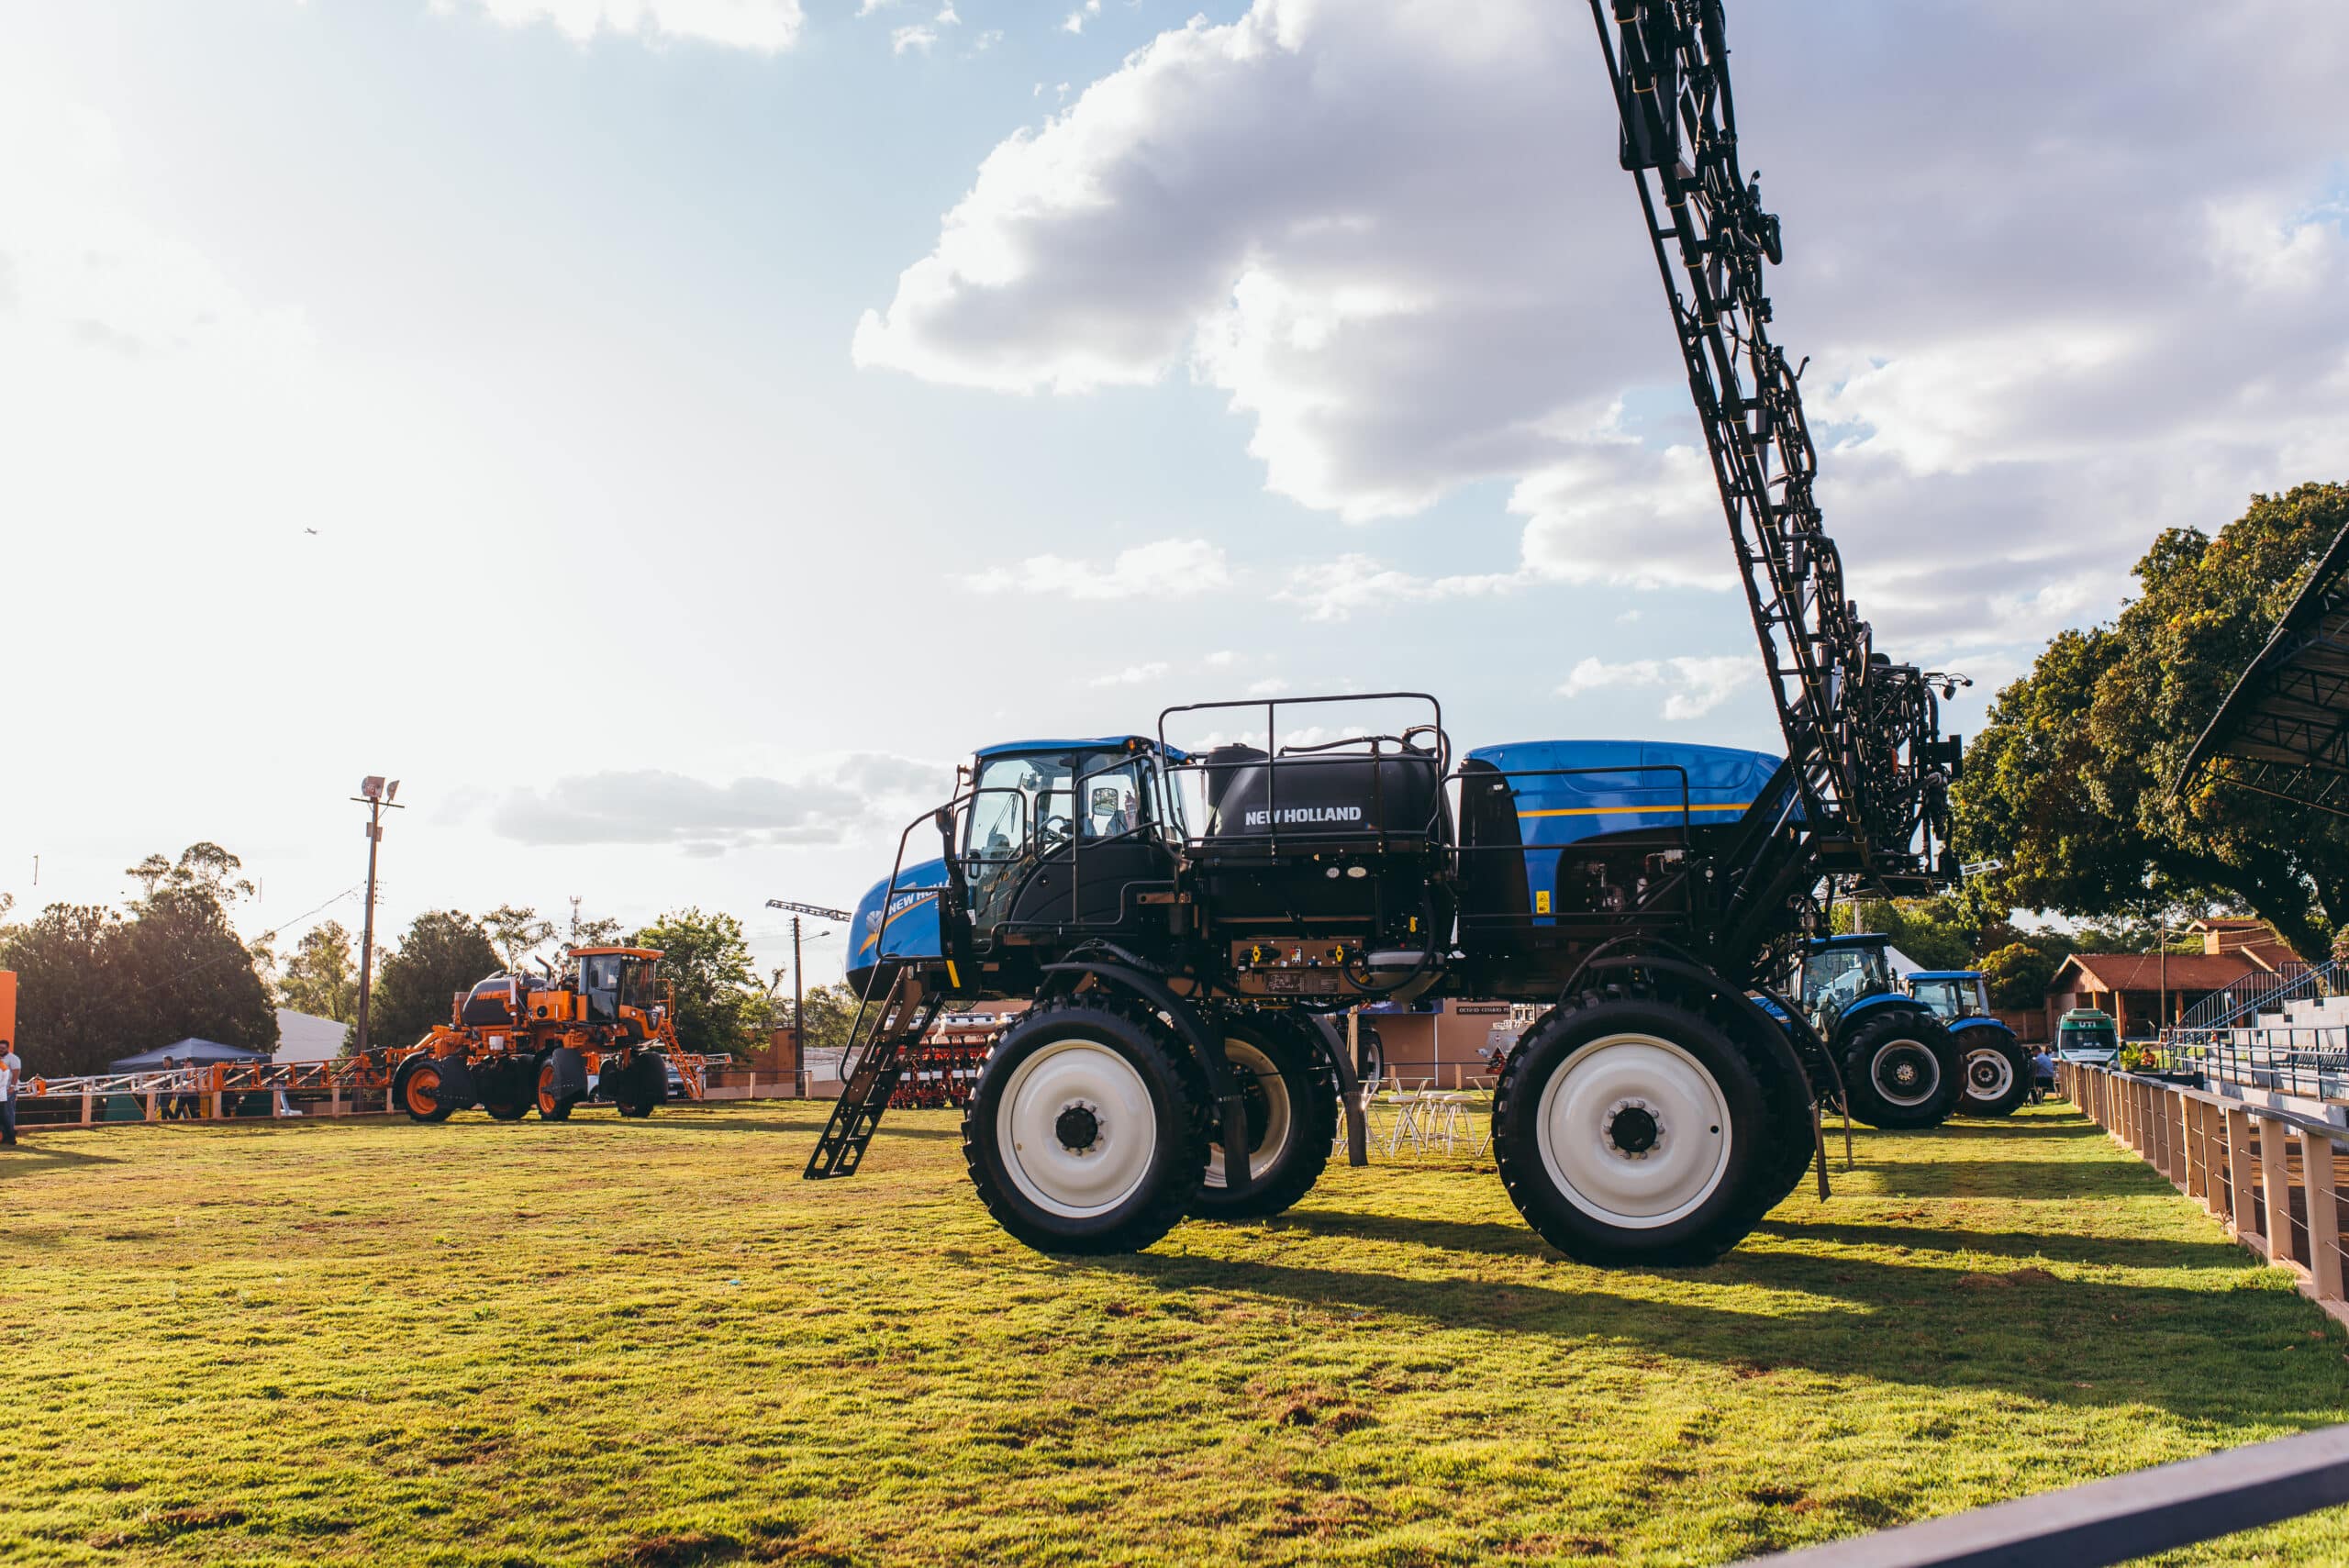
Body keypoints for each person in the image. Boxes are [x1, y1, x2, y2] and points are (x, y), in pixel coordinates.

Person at [0, 1039, 18, 1146]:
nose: (1, 1050)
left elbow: (6, 1079)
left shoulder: (8, 1062)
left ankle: (11, 1136)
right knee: (3, 1116)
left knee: (5, 1116)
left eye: (3, 1048)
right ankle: (9, 1136)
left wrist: (11, 1087)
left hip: (3, 1093)